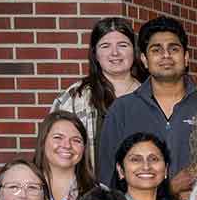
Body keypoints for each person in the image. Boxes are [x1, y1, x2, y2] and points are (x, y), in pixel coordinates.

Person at [97, 15, 197, 184]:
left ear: (186, 58)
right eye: (156, 50)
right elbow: (106, 174)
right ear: (144, 60)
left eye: (174, 49)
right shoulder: (122, 109)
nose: (166, 55)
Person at [49, 16, 144, 155]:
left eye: (123, 45)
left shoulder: (151, 94)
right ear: (95, 54)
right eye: (105, 46)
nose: (115, 52)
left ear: (134, 51)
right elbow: (52, 149)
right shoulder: (76, 97)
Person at [22, 110, 96, 200]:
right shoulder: (16, 186)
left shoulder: (98, 193)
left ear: (84, 148)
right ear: (43, 141)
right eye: (58, 137)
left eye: (76, 140)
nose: (67, 145)